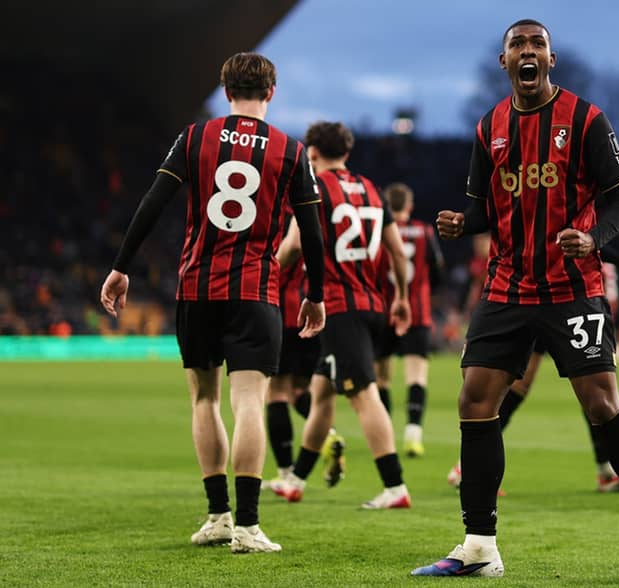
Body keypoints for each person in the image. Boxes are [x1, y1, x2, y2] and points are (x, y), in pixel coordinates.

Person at [411, 19, 619, 581]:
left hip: (572, 287)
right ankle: (478, 546)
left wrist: (593, 239)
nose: (528, 50)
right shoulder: (488, 126)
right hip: (507, 286)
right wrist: (460, 224)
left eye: (537, 43)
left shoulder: (586, 119)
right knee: (474, 400)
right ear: (504, 62)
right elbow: (484, 210)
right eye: (519, 44)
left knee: (602, 406)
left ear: (551, 59)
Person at [99, 52, 326, 553]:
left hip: (197, 288)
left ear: (226, 92)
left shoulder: (195, 136)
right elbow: (311, 227)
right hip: (256, 291)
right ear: (271, 92)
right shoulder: (291, 151)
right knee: (249, 403)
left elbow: (152, 202)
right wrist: (315, 294)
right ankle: (247, 526)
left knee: (204, 400)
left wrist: (121, 265)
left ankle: (218, 516)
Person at [446, 207, 619, 493]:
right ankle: (467, 467)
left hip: (552, 296)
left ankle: (605, 470)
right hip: (550, 296)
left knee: (586, 388)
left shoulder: (585, 191)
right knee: (546, 387)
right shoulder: (564, 186)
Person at [271, 121, 414, 509]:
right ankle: (296, 480)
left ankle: (395, 486)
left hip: (338, 307)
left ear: (312, 153)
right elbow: (398, 252)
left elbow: (293, 247)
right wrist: (401, 296)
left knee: (364, 395)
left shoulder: (314, 189)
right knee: (320, 392)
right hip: (372, 304)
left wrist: (265, 275)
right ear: (346, 153)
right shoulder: (370, 188)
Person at [263, 243, 346, 492]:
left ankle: (286, 472)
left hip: (284, 310)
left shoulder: (286, 220)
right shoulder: (318, 218)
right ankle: (328, 434)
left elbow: (282, 257)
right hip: (315, 312)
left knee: (276, 392)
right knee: (301, 390)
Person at [374, 182, 445, 458]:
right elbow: (438, 272)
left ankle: (385, 435)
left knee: (382, 378)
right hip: (417, 312)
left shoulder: (380, 232)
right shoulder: (425, 232)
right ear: (409, 206)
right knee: (416, 376)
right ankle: (414, 434)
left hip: (384, 312)